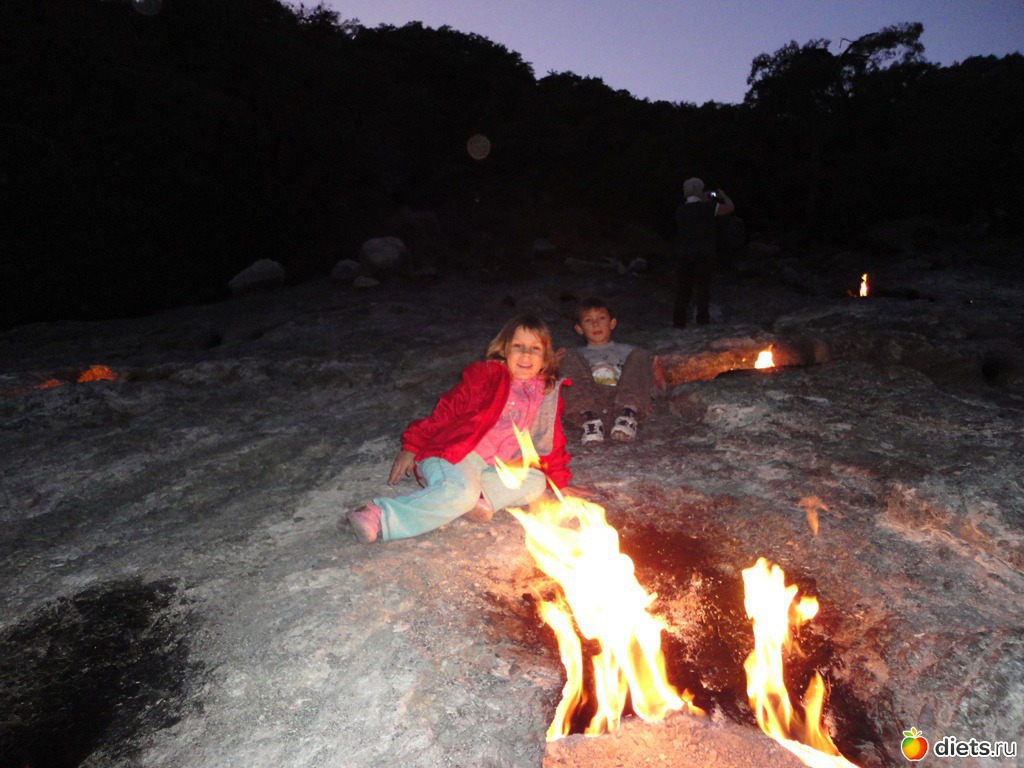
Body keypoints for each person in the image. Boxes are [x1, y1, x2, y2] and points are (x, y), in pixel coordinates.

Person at [347, 314, 572, 543]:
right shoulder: (487, 376)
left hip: (487, 469)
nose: (526, 354)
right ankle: (378, 513)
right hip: (451, 454)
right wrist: (412, 446)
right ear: (504, 349)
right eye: (518, 346)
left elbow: (550, 440)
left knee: (536, 481)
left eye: (535, 348)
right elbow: (447, 410)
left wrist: (559, 484)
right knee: (461, 492)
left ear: (545, 357)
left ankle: (477, 499)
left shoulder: (546, 393)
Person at [558, 297, 656, 444]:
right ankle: (589, 421)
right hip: (590, 403)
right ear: (579, 329)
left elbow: (644, 376)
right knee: (567, 356)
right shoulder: (576, 355)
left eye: (601, 318)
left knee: (641, 354)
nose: (595, 324)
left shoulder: (628, 351)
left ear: (612, 323)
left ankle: (628, 416)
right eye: (588, 320)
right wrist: (553, 362)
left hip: (620, 401)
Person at [673, 177, 734, 327]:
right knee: (703, 289)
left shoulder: (680, 211)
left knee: (684, 289)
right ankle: (702, 321)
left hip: (685, 254)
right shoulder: (708, 207)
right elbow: (729, 208)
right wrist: (723, 196)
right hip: (704, 253)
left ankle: (679, 322)